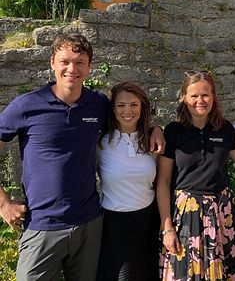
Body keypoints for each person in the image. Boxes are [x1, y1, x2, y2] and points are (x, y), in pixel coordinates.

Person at [0, 32, 164, 281]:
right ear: (52, 63)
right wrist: (3, 203)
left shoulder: (97, 105)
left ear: (89, 67)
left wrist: (155, 129)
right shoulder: (26, 106)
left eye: (79, 62)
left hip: (89, 224)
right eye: (64, 61)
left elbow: (129, 114)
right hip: (42, 224)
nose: (71, 69)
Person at [157, 71, 235, 280]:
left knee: (223, 273)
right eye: (194, 96)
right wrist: (167, 228)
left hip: (221, 212)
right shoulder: (173, 131)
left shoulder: (224, 129)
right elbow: (163, 182)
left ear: (213, 96)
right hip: (186, 214)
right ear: (184, 98)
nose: (200, 100)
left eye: (205, 95)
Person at [96, 82, 159, 281]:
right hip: (115, 226)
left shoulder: (152, 139)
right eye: (121, 105)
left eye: (134, 105)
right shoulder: (101, 143)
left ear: (142, 107)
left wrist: (157, 129)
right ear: (113, 109)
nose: (128, 111)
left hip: (149, 222)